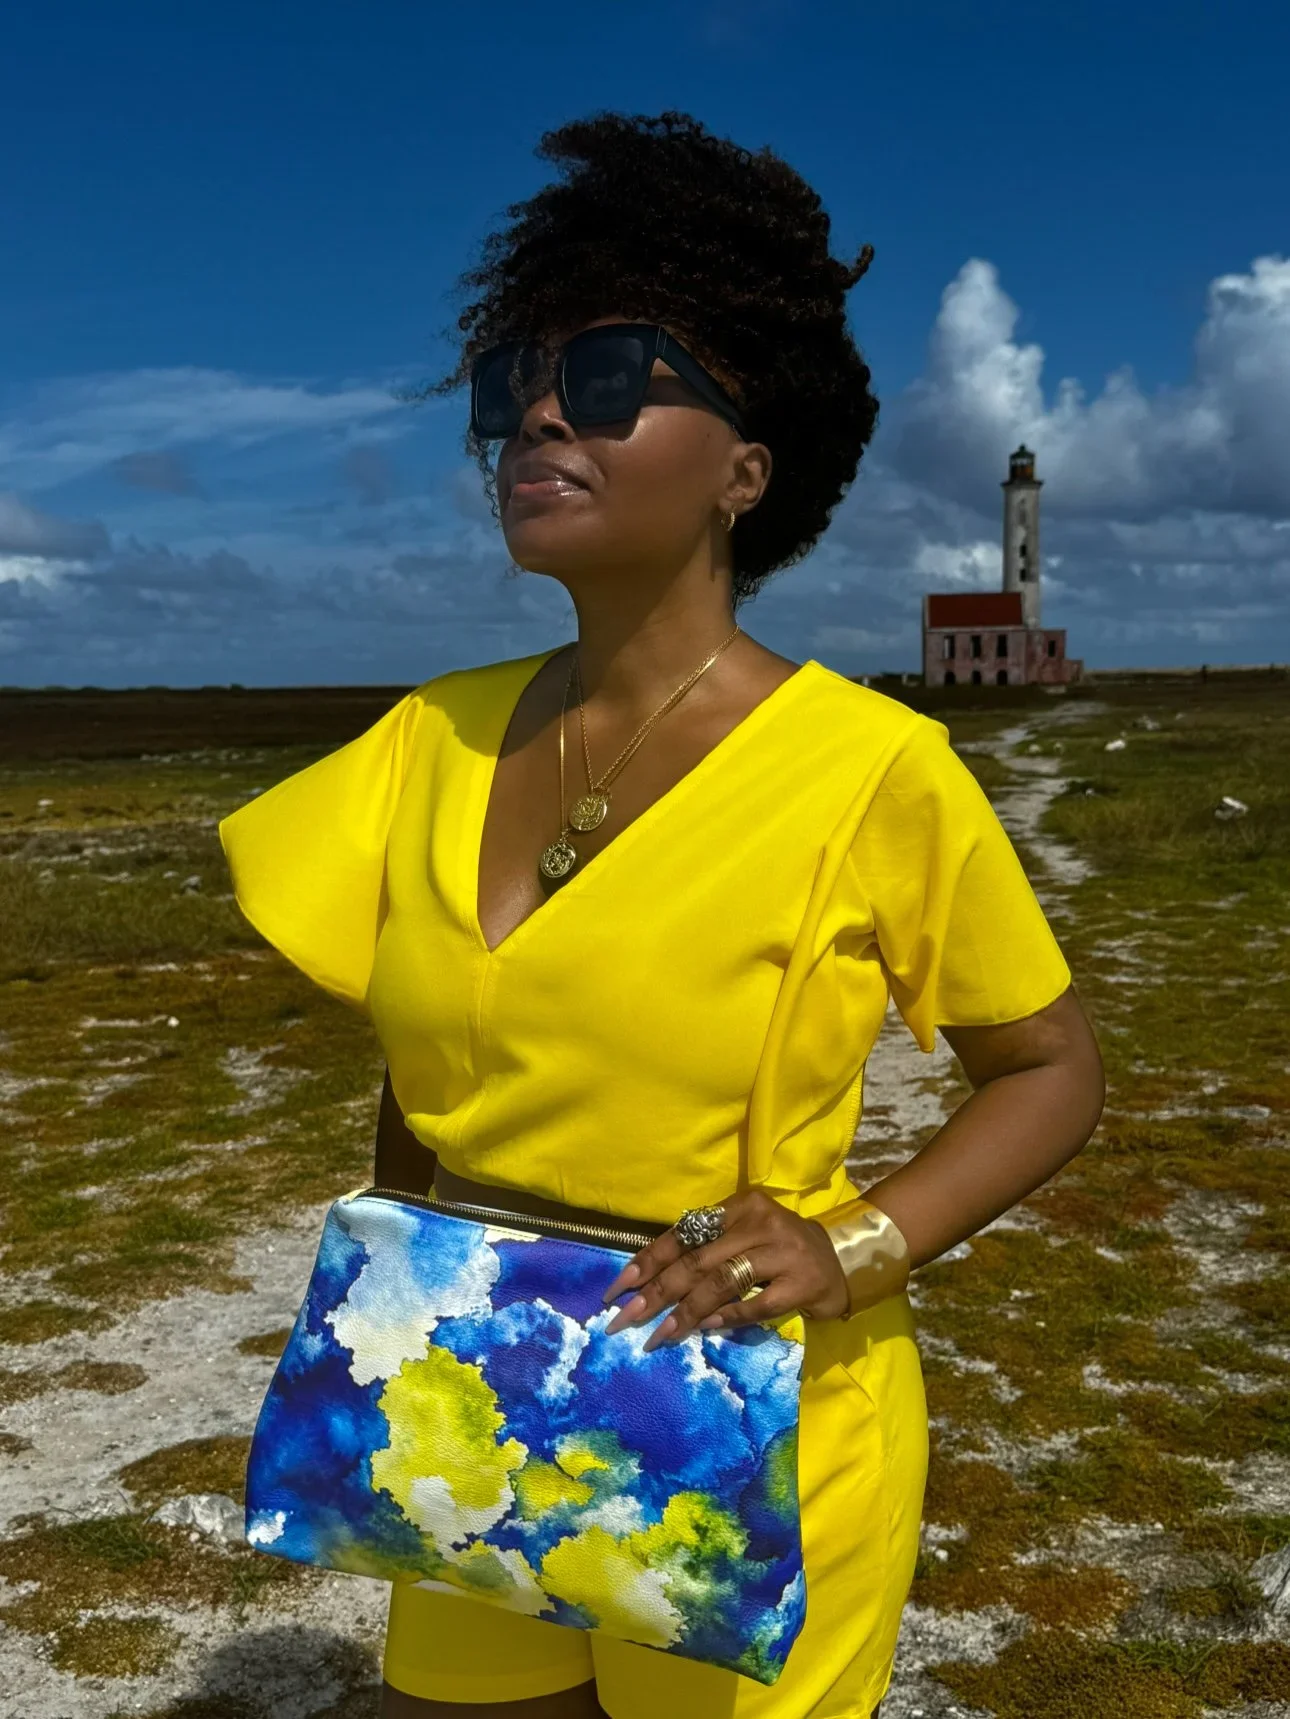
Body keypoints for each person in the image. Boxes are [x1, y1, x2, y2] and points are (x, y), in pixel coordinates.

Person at [219, 111, 1104, 1719]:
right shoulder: (426, 738)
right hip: (465, 1403)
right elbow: (427, 1081)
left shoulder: (871, 772)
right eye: (514, 386)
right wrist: (383, 1284)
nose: (541, 413)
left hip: (739, 1418)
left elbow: (1048, 1068)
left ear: (746, 473)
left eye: (615, 376)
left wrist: (857, 1240)